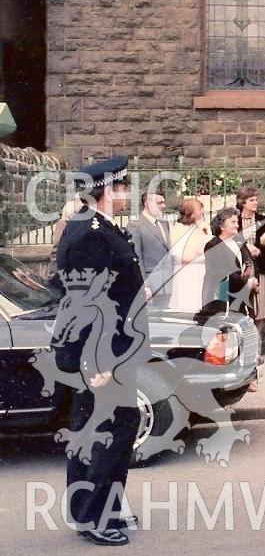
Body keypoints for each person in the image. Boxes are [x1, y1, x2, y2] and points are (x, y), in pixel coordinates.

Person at [50, 156, 148, 545]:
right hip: (104, 354)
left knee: (105, 428)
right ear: (107, 191)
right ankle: (95, 517)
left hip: (112, 350)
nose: (127, 194)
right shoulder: (91, 232)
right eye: (123, 188)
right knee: (107, 430)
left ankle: (99, 507)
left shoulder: (95, 226)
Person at [237, 185, 265, 336]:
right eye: (251, 200)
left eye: (256, 199)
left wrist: (262, 247)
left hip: (261, 269)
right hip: (243, 270)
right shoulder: (235, 220)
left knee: (261, 309)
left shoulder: (262, 220)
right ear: (243, 202)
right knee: (244, 308)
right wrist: (246, 248)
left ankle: (256, 345)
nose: (255, 202)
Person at [203, 207, 258, 316]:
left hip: (241, 298)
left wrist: (254, 278)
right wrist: (246, 283)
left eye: (237, 221)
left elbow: (250, 261)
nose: (237, 225)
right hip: (223, 299)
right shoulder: (213, 245)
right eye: (233, 222)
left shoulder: (238, 240)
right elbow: (221, 273)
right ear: (222, 225)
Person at [168, 197, 211, 313]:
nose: (202, 212)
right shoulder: (177, 229)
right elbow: (179, 256)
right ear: (189, 212)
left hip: (200, 272)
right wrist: (201, 258)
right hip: (185, 273)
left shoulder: (203, 227)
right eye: (199, 209)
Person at [129, 189, 172, 301]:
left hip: (168, 283)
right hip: (151, 285)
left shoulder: (164, 223)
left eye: (163, 202)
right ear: (147, 204)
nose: (164, 206)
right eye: (160, 203)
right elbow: (137, 258)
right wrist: (145, 286)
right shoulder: (136, 226)